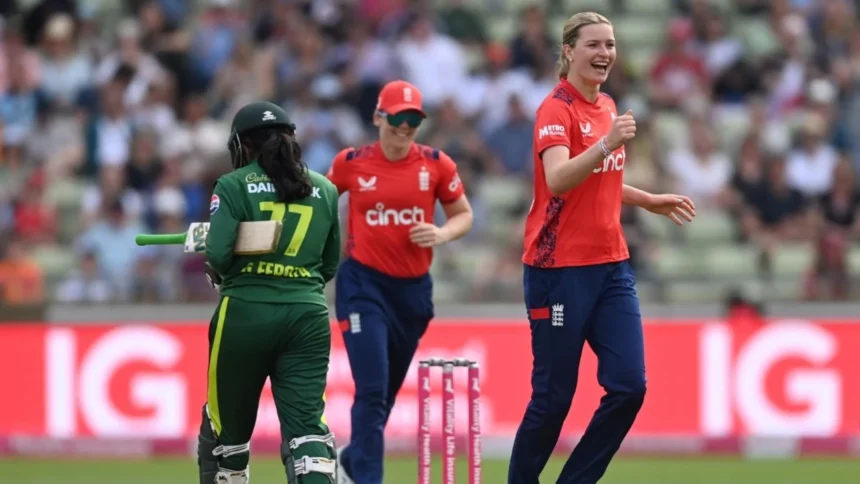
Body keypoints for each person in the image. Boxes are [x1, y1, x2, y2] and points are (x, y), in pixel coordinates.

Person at [508, 12, 697, 484]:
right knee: (553, 401)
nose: (604, 54)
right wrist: (607, 143)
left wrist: (646, 198)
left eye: (610, 45)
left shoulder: (607, 105)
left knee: (630, 386)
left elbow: (603, 179)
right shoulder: (556, 109)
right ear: (569, 50)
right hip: (558, 271)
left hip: (611, 267)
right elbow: (558, 178)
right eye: (593, 44)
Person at [326, 80, 474, 484]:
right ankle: (366, 477)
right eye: (398, 118)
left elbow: (463, 213)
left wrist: (442, 234)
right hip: (362, 285)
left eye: (413, 120)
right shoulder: (351, 162)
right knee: (372, 391)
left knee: (385, 394)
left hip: (413, 292)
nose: (405, 127)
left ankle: (354, 460)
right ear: (379, 117)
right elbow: (319, 204)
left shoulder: (436, 164)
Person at [199, 101, 341, 484]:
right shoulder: (326, 189)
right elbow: (329, 265)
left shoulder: (232, 185)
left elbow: (218, 254)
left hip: (245, 312)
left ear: (243, 145)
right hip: (308, 316)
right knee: (307, 432)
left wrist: (219, 261)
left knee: (224, 435)